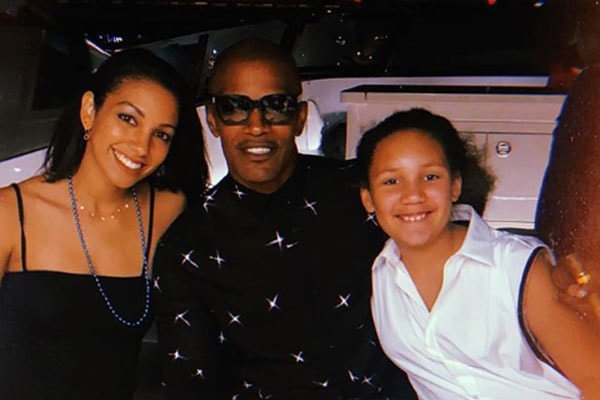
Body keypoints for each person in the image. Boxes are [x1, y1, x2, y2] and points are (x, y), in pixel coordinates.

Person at [153, 38, 417, 399]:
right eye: (235, 107)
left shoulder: (364, 192)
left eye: (276, 106)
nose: (257, 126)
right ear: (213, 119)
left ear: (300, 117)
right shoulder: (187, 247)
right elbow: (191, 387)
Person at [0, 48, 209, 400]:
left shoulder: (167, 210)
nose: (141, 147)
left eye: (161, 134)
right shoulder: (9, 213)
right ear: (89, 111)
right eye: (128, 119)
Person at [356, 108, 600, 399]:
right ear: (368, 199)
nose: (413, 195)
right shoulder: (382, 275)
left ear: (455, 186)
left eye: (430, 176)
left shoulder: (514, 266)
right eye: (391, 181)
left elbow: (594, 378)